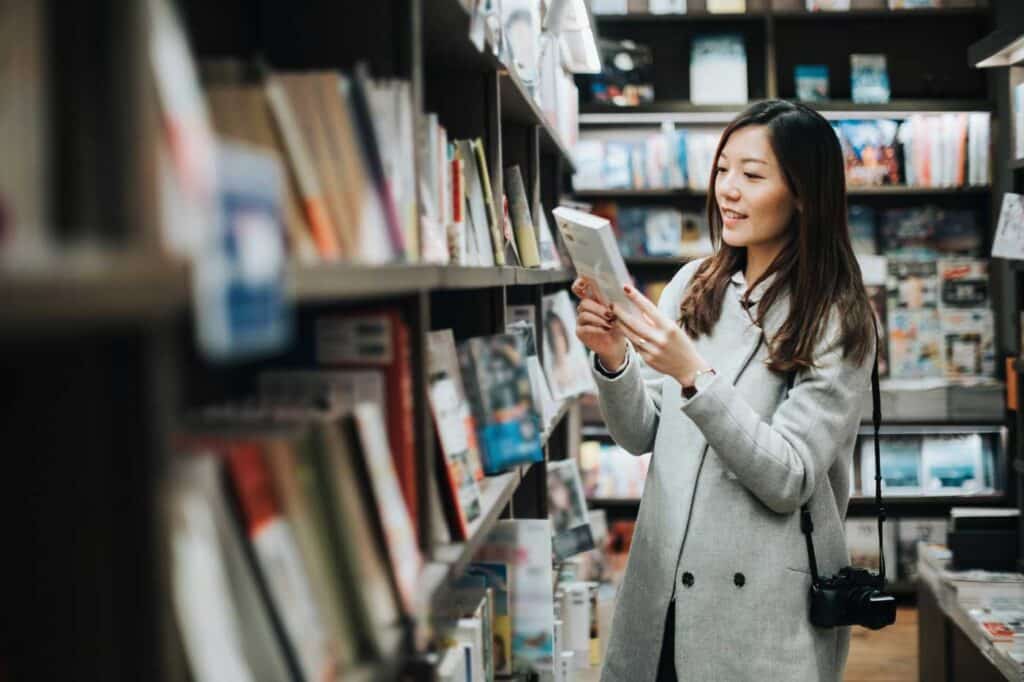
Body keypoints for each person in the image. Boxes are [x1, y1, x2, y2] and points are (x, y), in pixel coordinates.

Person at [572, 100, 877, 682]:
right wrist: (614, 358)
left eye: (753, 175)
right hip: (660, 595)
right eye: (722, 170)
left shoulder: (838, 316)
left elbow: (788, 478)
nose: (728, 191)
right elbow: (641, 435)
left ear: (805, 194)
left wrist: (694, 374)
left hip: (757, 610)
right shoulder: (694, 284)